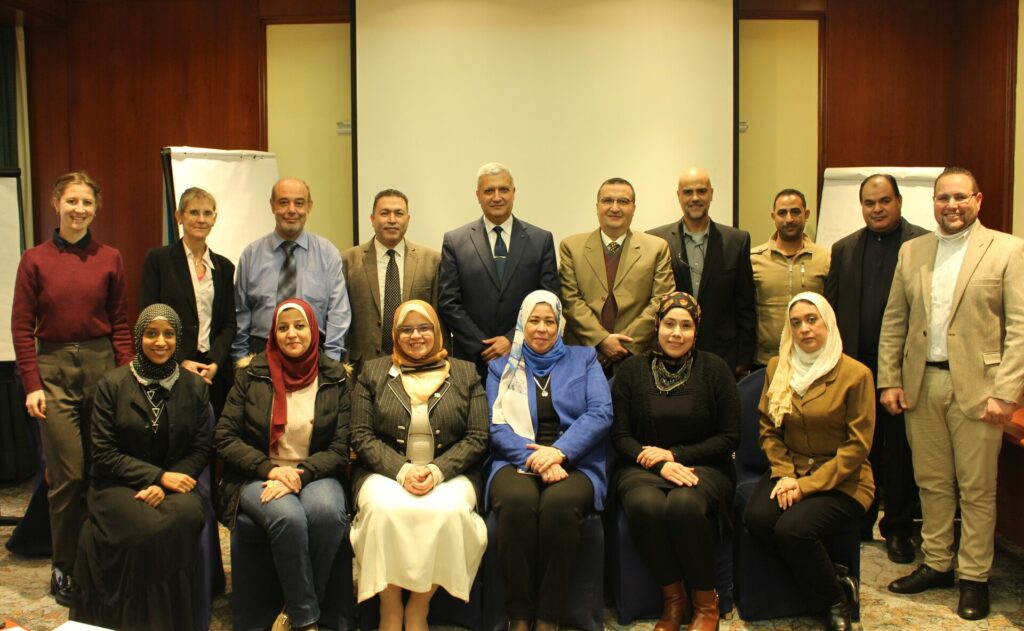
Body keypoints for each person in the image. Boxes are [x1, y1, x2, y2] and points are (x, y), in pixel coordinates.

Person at [878, 167, 1024, 620]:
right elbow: (894, 321)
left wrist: (1007, 393)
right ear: (933, 202)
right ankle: (938, 563)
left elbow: (1019, 328)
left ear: (978, 200)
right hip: (923, 384)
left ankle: (973, 577)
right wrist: (890, 379)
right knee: (932, 483)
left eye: (960, 197)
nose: (951, 206)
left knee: (977, 489)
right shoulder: (912, 251)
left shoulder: (1007, 249)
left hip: (981, 390)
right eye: (943, 198)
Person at [11, 171, 133, 605]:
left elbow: (120, 322)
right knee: (68, 475)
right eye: (72, 201)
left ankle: (96, 558)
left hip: (103, 367)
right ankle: (63, 565)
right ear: (56, 204)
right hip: (54, 369)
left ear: (96, 208)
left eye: (86, 203)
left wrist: (126, 379)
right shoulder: (35, 259)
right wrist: (32, 384)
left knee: (102, 471)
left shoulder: (111, 257)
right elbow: (22, 327)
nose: (79, 209)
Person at [349, 300, 488, 631]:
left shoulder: (466, 372)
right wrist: (402, 470)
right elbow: (361, 435)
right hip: (385, 472)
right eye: (406, 329)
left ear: (437, 331)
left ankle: (419, 607)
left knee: (449, 514)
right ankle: (390, 606)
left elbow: (478, 437)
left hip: (450, 473)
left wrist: (438, 470)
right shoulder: (372, 372)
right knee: (383, 513)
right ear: (395, 335)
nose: (416, 336)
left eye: (424, 327)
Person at [71, 304, 211, 629]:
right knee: (147, 528)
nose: (160, 342)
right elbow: (103, 453)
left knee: (188, 515)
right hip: (116, 484)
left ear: (177, 339)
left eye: (168, 334)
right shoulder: (112, 385)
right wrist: (156, 477)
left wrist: (166, 483)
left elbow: (200, 447)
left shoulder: (195, 387)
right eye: (151, 334)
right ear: (139, 337)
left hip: (177, 482)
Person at [216, 299, 350, 631]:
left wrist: (300, 475)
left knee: (327, 514)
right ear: (273, 333)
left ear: (314, 330)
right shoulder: (251, 374)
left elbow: (341, 445)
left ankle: (296, 609)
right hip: (257, 474)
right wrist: (272, 470)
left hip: (316, 471)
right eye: (283, 327)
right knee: (287, 517)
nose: (292, 334)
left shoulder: (335, 376)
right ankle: (307, 620)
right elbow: (225, 437)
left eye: (300, 326)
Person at [743, 292, 874, 631]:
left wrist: (805, 486)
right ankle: (835, 576)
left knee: (793, 530)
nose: (804, 329)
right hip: (791, 471)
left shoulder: (856, 375)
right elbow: (769, 430)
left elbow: (856, 448)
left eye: (812, 319)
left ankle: (834, 602)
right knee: (757, 517)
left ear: (828, 323)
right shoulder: (779, 367)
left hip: (845, 479)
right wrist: (786, 474)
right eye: (796, 322)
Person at [611, 292, 739, 631]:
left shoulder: (715, 369)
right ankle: (674, 601)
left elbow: (730, 437)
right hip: (643, 466)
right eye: (669, 324)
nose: (676, 333)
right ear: (657, 326)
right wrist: (658, 463)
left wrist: (675, 455)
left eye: (686, 325)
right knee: (644, 503)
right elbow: (621, 436)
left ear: (697, 330)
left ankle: (705, 603)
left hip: (705, 465)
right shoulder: (630, 371)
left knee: (683, 505)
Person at [486, 290, 612, 631]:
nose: (541, 328)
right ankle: (520, 616)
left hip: (576, 459)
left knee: (559, 507)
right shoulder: (501, 367)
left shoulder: (585, 359)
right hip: (516, 459)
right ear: (521, 324)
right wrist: (538, 459)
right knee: (515, 503)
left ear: (561, 325)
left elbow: (600, 413)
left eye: (549, 321)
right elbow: (495, 425)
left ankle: (548, 618)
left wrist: (559, 452)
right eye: (533, 320)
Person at [823, 174, 928, 560]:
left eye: (884, 201)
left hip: (905, 371)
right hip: (856, 369)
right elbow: (830, 314)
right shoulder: (845, 248)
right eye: (869, 203)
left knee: (899, 451)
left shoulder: (922, 245)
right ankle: (859, 520)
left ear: (899, 201)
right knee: (858, 447)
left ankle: (898, 528)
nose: (877, 209)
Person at [439, 162, 560, 379]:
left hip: (528, 357)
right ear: (478, 195)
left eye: (503, 189)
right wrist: (484, 347)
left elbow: (549, 300)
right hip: (473, 361)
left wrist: (513, 340)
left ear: (514, 193)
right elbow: (449, 302)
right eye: (489, 191)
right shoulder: (455, 241)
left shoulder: (540, 240)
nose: (497, 197)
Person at [648, 168, 756, 377]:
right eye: (688, 192)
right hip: (670, 353)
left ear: (711, 194)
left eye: (701, 191)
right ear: (678, 196)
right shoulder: (657, 240)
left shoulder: (736, 241)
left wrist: (744, 358)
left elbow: (745, 306)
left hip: (723, 356)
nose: (695, 198)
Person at [559, 177, 674, 374]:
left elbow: (661, 302)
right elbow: (570, 301)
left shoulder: (657, 248)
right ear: (597, 207)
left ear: (634, 208)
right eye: (607, 201)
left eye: (623, 201)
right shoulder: (571, 247)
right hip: (583, 356)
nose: (615, 208)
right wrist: (601, 339)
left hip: (637, 358)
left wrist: (623, 344)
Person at [233, 177, 352, 363]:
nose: (291, 210)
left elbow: (339, 312)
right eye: (283, 202)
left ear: (309, 206)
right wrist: (240, 363)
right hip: (261, 354)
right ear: (272, 206)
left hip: (313, 355)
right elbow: (241, 314)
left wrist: (331, 362)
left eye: (299, 203)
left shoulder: (327, 254)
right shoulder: (251, 255)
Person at [140, 187, 237, 416]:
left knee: (214, 439)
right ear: (179, 216)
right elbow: (149, 316)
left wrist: (214, 362)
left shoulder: (224, 267)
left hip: (212, 371)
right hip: (170, 365)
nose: (201, 219)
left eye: (207, 213)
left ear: (215, 218)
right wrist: (182, 361)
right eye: (193, 212)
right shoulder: (159, 260)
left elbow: (228, 324)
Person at [342, 189, 441, 371]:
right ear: (372, 219)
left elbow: (439, 320)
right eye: (384, 213)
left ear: (408, 219)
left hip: (418, 364)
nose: (392, 220)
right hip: (363, 366)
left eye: (399, 213)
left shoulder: (432, 260)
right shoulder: (349, 260)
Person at [750, 188, 830, 368]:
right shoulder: (754, 259)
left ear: (806, 214)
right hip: (766, 361)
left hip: (813, 360)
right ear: (773, 216)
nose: (789, 219)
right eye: (782, 213)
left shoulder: (825, 258)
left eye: (795, 212)